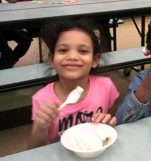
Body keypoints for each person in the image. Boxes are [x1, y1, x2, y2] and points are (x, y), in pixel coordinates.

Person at [28, 18, 119, 148]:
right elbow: (34, 149)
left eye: (83, 51)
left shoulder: (106, 86)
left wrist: (108, 121)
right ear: (51, 59)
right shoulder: (42, 99)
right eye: (63, 50)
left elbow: (111, 117)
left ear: (95, 60)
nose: (72, 56)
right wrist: (41, 126)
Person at [0, 0, 32, 70]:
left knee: (25, 41)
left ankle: (8, 63)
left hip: (2, 25)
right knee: (7, 53)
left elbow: (12, 0)